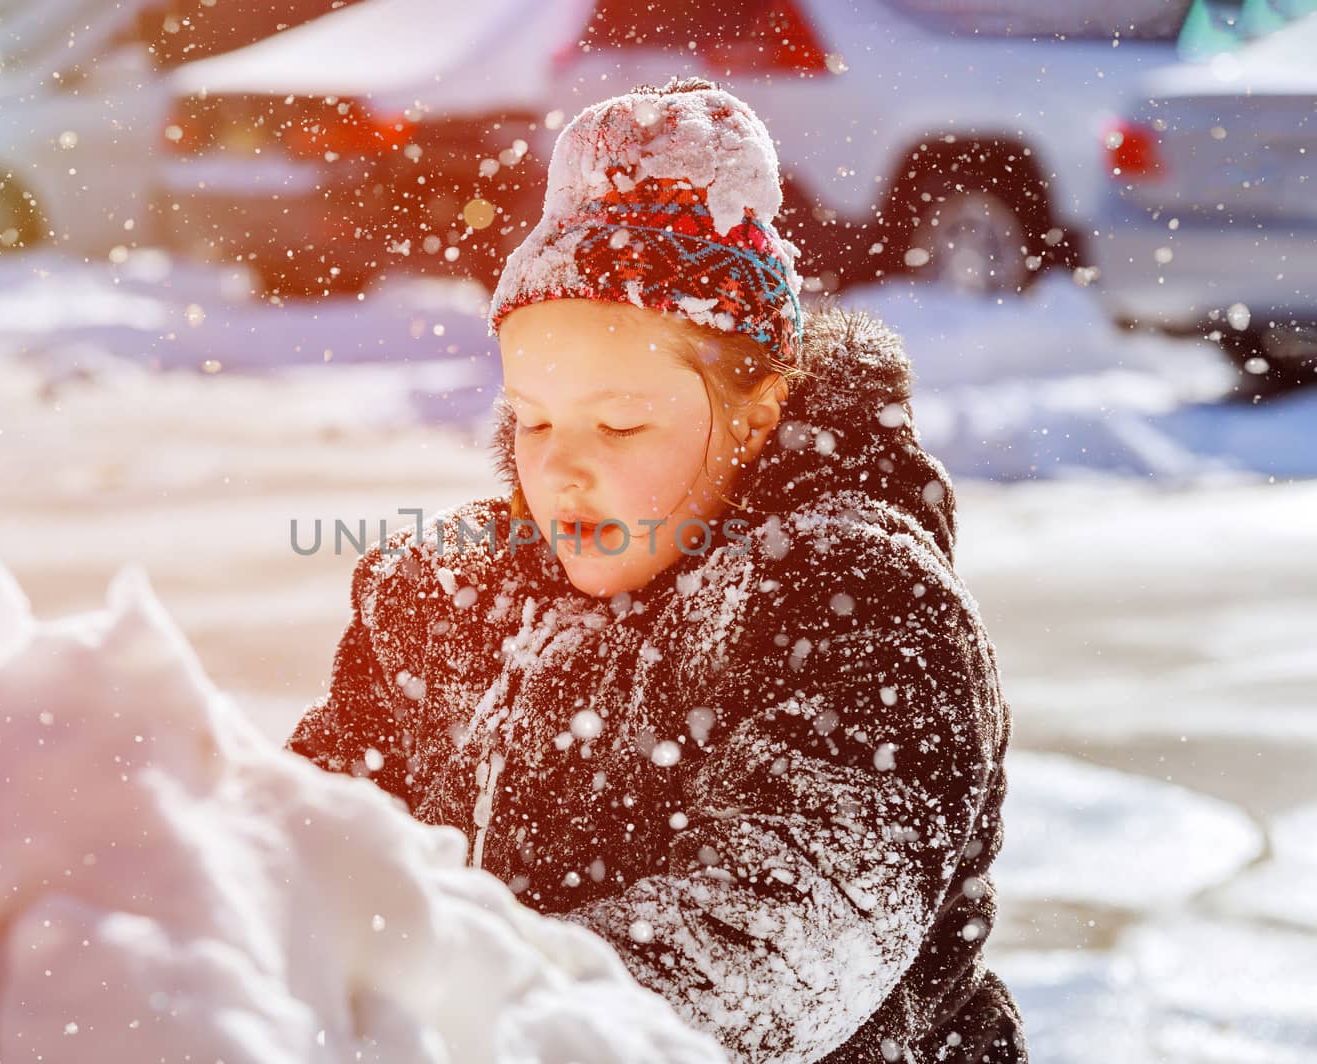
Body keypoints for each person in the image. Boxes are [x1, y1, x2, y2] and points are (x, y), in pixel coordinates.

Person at [287, 75, 1027, 1063]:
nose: (563, 464)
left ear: (758, 406)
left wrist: (442, 1017)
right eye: (533, 418)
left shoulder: (858, 604)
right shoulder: (444, 594)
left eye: (619, 420)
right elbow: (295, 851)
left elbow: (773, 950)